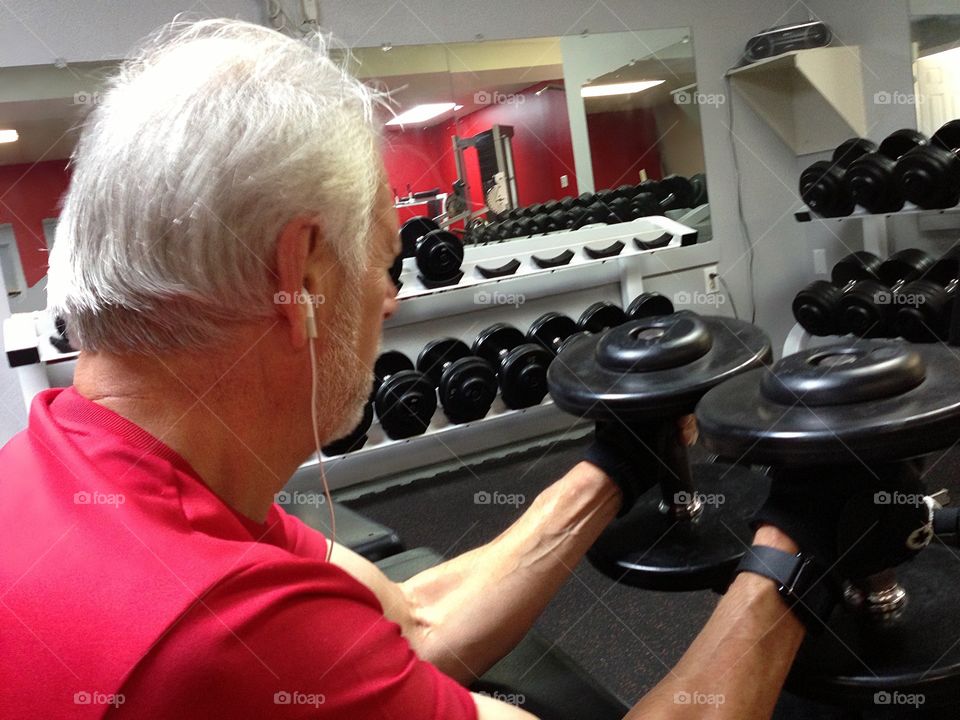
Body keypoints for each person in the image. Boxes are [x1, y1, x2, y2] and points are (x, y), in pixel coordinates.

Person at [0, 19, 928, 720]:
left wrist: (615, 464)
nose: (391, 301)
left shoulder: (77, 471)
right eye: (383, 261)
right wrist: (792, 555)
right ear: (302, 274)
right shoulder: (218, 637)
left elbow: (416, 623)